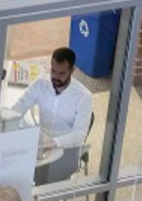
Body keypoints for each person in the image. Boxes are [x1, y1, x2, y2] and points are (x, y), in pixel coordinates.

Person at [11, 47, 93, 185]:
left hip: (66, 149)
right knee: (14, 170)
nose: (56, 77)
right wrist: (8, 121)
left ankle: (42, 196)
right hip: (40, 144)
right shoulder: (41, 83)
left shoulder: (84, 97)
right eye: (53, 71)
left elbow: (79, 136)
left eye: (61, 73)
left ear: (72, 71)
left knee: (43, 184)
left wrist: (52, 142)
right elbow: (19, 107)